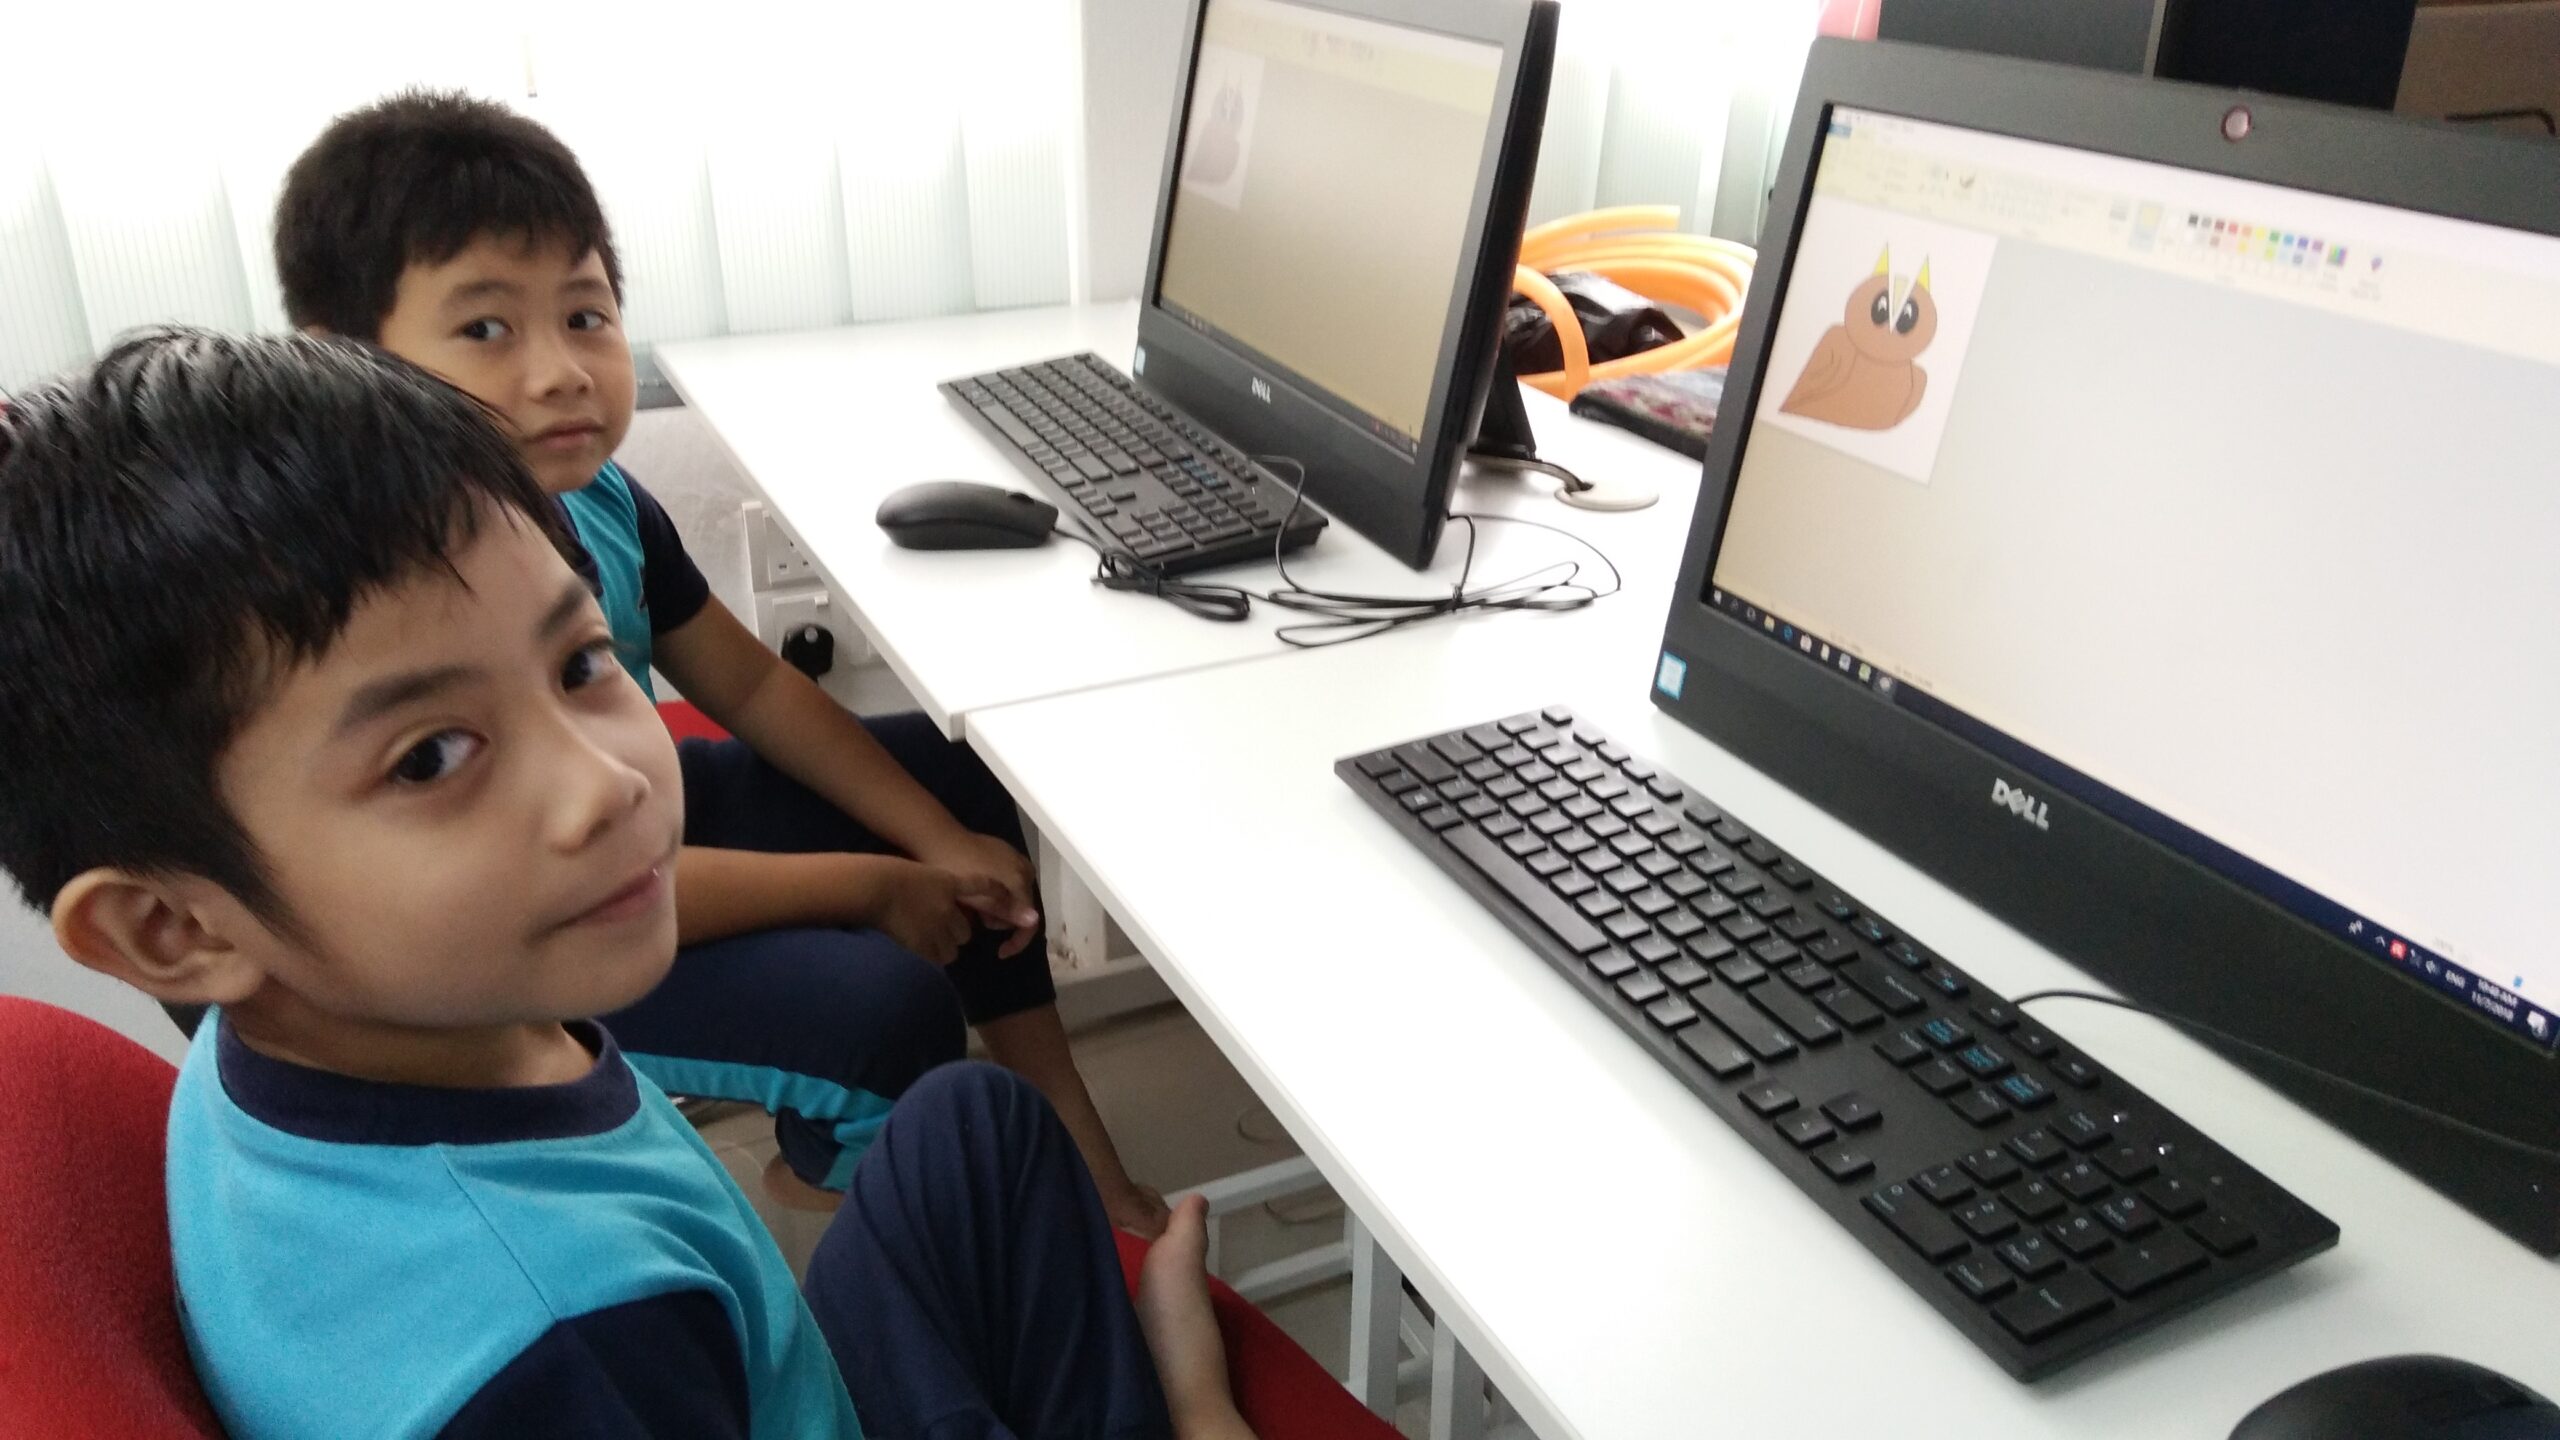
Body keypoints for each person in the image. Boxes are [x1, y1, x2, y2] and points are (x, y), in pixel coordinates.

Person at [0, 328, 1251, 1439]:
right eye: (430, 757)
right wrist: (1200, 1410)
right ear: (169, 928)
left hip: (745, 1366)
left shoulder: (347, 1039)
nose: (605, 782)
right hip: (656, 1353)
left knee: (976, 1124)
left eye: (580, 662)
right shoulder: (572, 1345)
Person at [270, 89, 1165, 1232]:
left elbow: (750, 686)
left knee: (951, 783)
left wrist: (933, 843)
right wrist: (873, 885)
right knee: (883, 1015)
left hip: (621, 826)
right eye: (486, 329)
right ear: (343, 362)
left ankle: (1080, 1155)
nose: (561, 371)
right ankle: (844, 1207)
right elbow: (562, 866)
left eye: (585, 316)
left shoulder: (595, 496)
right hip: (505, 947)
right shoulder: (396, 589)